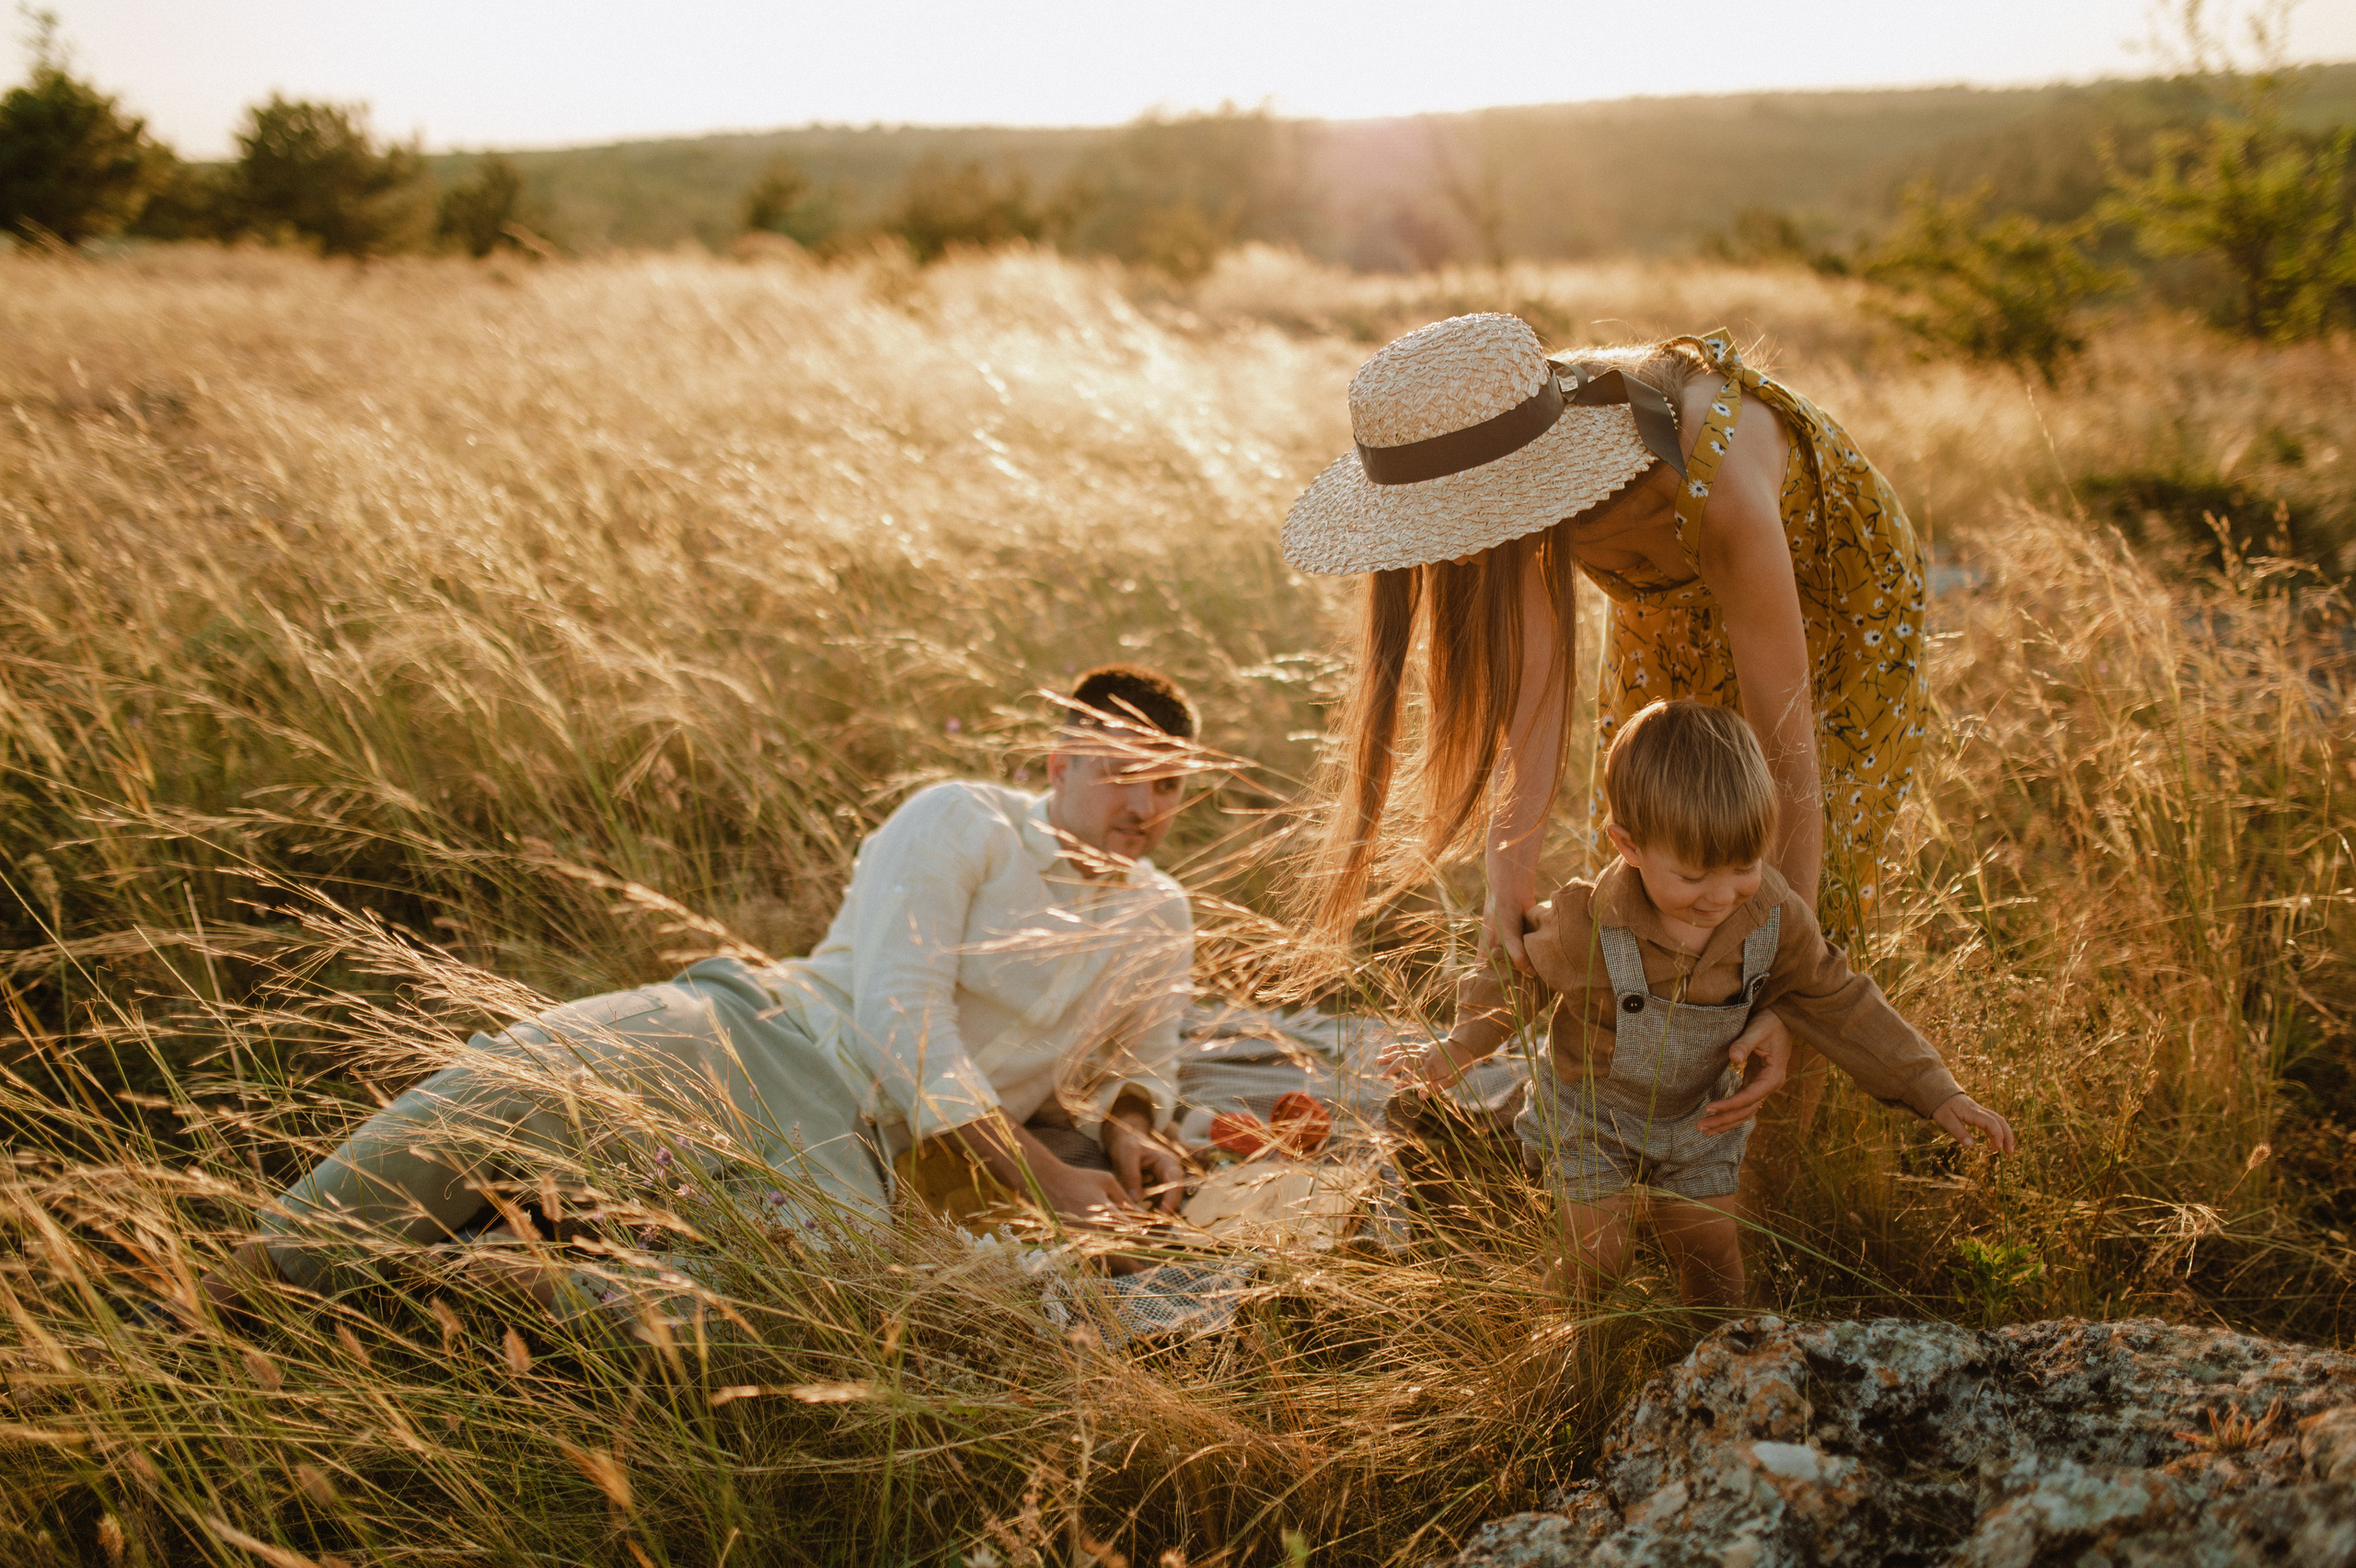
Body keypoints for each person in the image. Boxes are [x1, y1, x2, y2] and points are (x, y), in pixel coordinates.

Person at [201, 664, 1206, 1316]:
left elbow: (1142, 1062)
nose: (1143, 806)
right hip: (762, 1032)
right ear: (1061, 758)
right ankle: (225, 1295)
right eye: (1123, 772)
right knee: (515, 1085)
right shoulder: (961, 821)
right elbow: (904, 1020)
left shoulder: (1161, 914)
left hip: (859, 1141)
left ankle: (464, 1291)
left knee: (814, 1312)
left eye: (1168, 786)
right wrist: (1045, 1176)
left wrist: (1129, 1128)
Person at [1286, 312, 1931, 1139]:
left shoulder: (1717, 476)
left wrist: (1776, 976)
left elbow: (1787, 744)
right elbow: (1538, 691)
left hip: (1837, 621)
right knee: (1660, 854)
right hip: (1668, 613)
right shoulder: (1509, 464)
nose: (1449, 548)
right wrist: (1506, 875)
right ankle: (1599, 1129)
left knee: (1776, 873)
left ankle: (1765, 1164)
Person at [1393, 699, 2014, 1309]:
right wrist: (1461, 1045)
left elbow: (1840, 999)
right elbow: (1518, 974)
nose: (1721, 895)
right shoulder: (1588, 922)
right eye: (1692, 878)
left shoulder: (1770, 915)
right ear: (1628, 845)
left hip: (1699, 1120)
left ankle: (1714, 1367)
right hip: (1591, 1115)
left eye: (1743, 866)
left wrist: (1938, 1091)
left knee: (1713, 1257)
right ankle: (1569, 1363)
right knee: (1597, 1260)